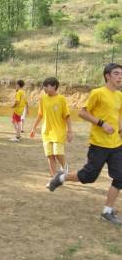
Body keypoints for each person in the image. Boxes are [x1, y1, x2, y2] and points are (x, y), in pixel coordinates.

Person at [48, 63, 122, 225]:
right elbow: (82, 112)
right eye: (116, 74)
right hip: (99, 144)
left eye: (121, 74)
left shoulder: (119, 96)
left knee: (120, 177)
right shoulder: (98, 93)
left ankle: (107, 211)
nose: (120, 77)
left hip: (116, 145)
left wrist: (120, 131)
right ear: (107, 76)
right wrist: (101, 123)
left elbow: (119, 116)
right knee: (88, 177)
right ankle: (61, 177)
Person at [30, 77, 72, 177]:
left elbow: (67, 116)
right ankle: (54, 177)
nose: (44, 88)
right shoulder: (43, 99)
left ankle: (64, 165)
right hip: (46, 132)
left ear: (54, 87)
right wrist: (34, 128)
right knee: (50, 155)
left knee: (57, 153)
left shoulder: (61, 99)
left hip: (58, 132)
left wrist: (70, 131)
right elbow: (40, 114)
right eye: (43, 86)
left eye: (46, 86)